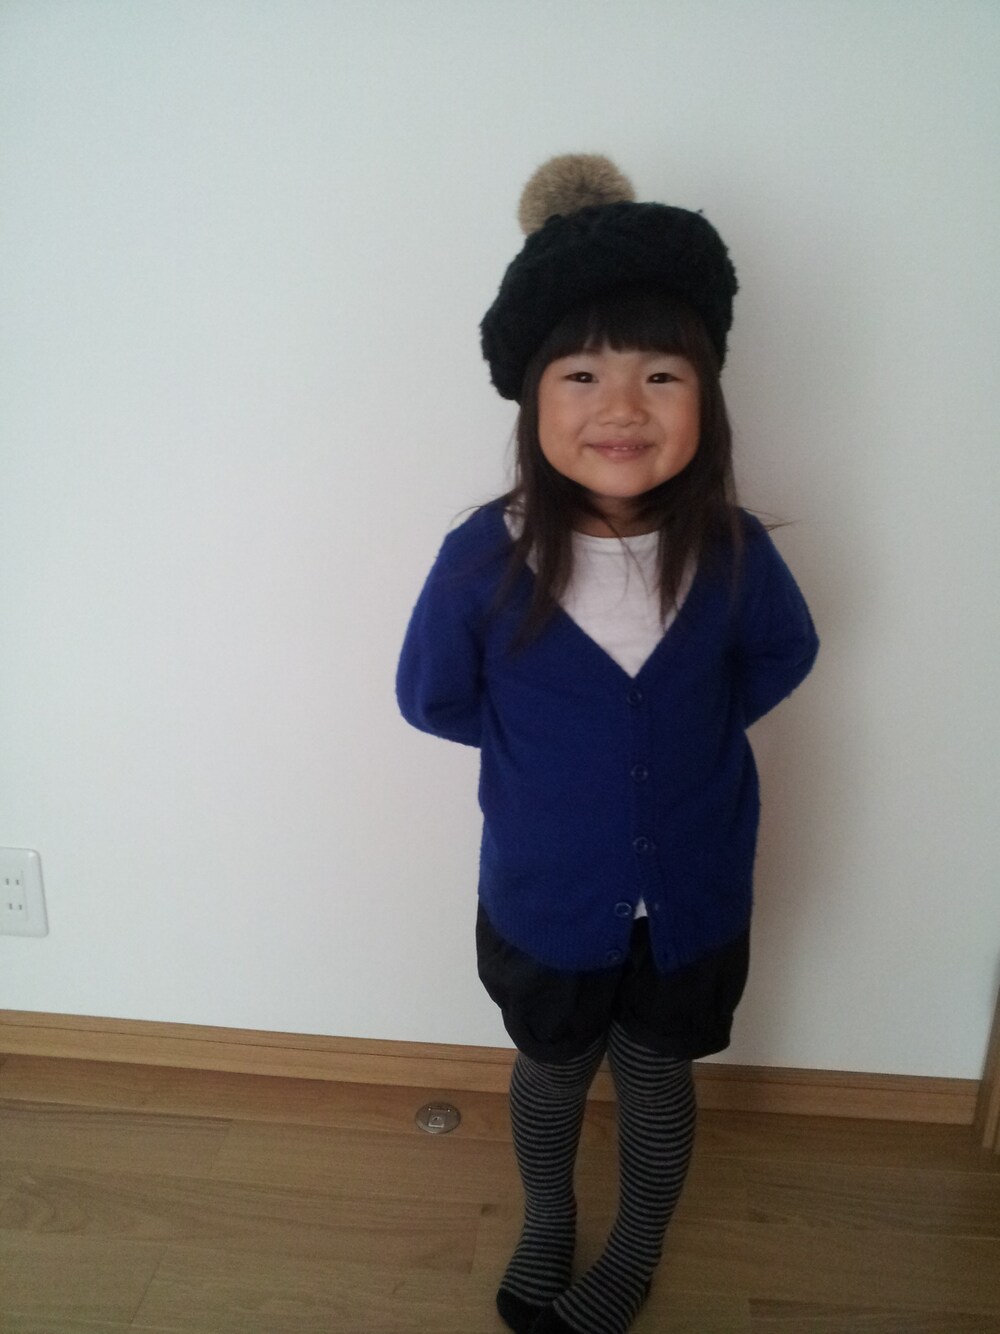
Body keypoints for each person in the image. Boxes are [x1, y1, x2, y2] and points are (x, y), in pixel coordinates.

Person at [396, 153, 819, 1334]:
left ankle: (634, 1247)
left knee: (656, 1074)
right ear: (532, 399)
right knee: (549, 1069)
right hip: (545, 896)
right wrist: (558, 757)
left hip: (691, 895)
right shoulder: (484, 558)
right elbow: (434, 697)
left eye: (660, 374)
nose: (622, 406)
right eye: (581, 373)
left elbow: (780, 657)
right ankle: (547, 1218)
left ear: (706, 400)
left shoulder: (733, 551)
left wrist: (683, 740)